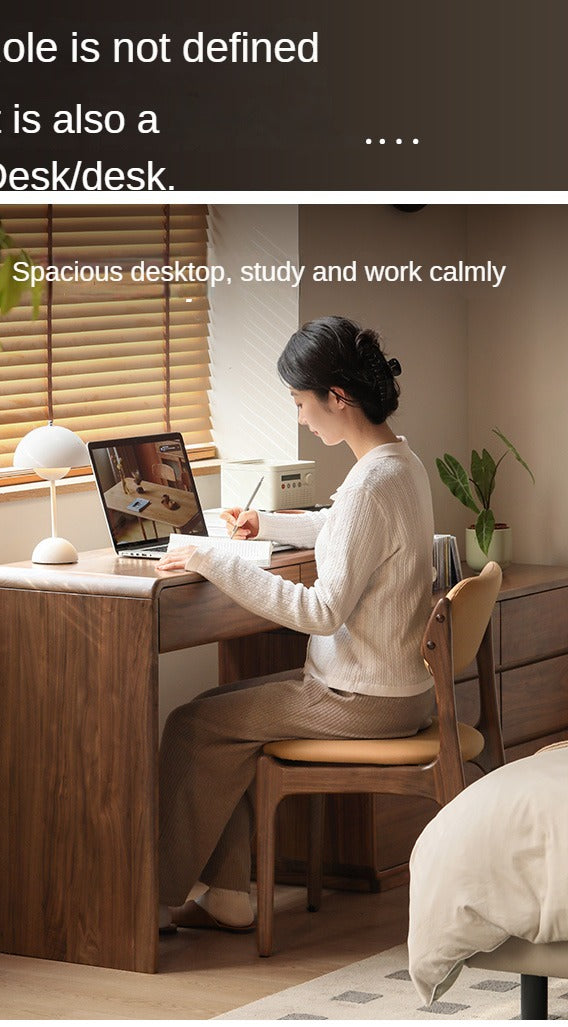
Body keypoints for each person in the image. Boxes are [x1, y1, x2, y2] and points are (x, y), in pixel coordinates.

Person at [155, 315, 435, 933]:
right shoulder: (399, 464)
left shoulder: (370, 484)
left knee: (192, 724)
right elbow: (348, 530)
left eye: (302, 403)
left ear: (338, 397)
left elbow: (321, 610)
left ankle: (153, 901)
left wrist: (212, 559)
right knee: (218, 714)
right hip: (400, 692)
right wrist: (269, 525)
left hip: (361, 701)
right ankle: (226, 893)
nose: (302, 418)